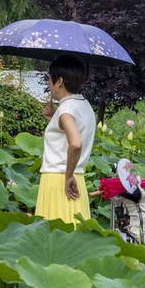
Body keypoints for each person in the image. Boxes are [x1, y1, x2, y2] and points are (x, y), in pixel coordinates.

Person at [36, 55, 96, 224]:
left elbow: (76, 143)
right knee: (75, 239)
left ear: (59, 81)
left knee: (54, 239)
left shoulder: (66, 109)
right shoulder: (84, 105)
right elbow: (74, 130)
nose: (49, 84)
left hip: (59, 180)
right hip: (79, 181)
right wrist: (54, 118)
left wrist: (68, 176)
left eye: (49, 79)